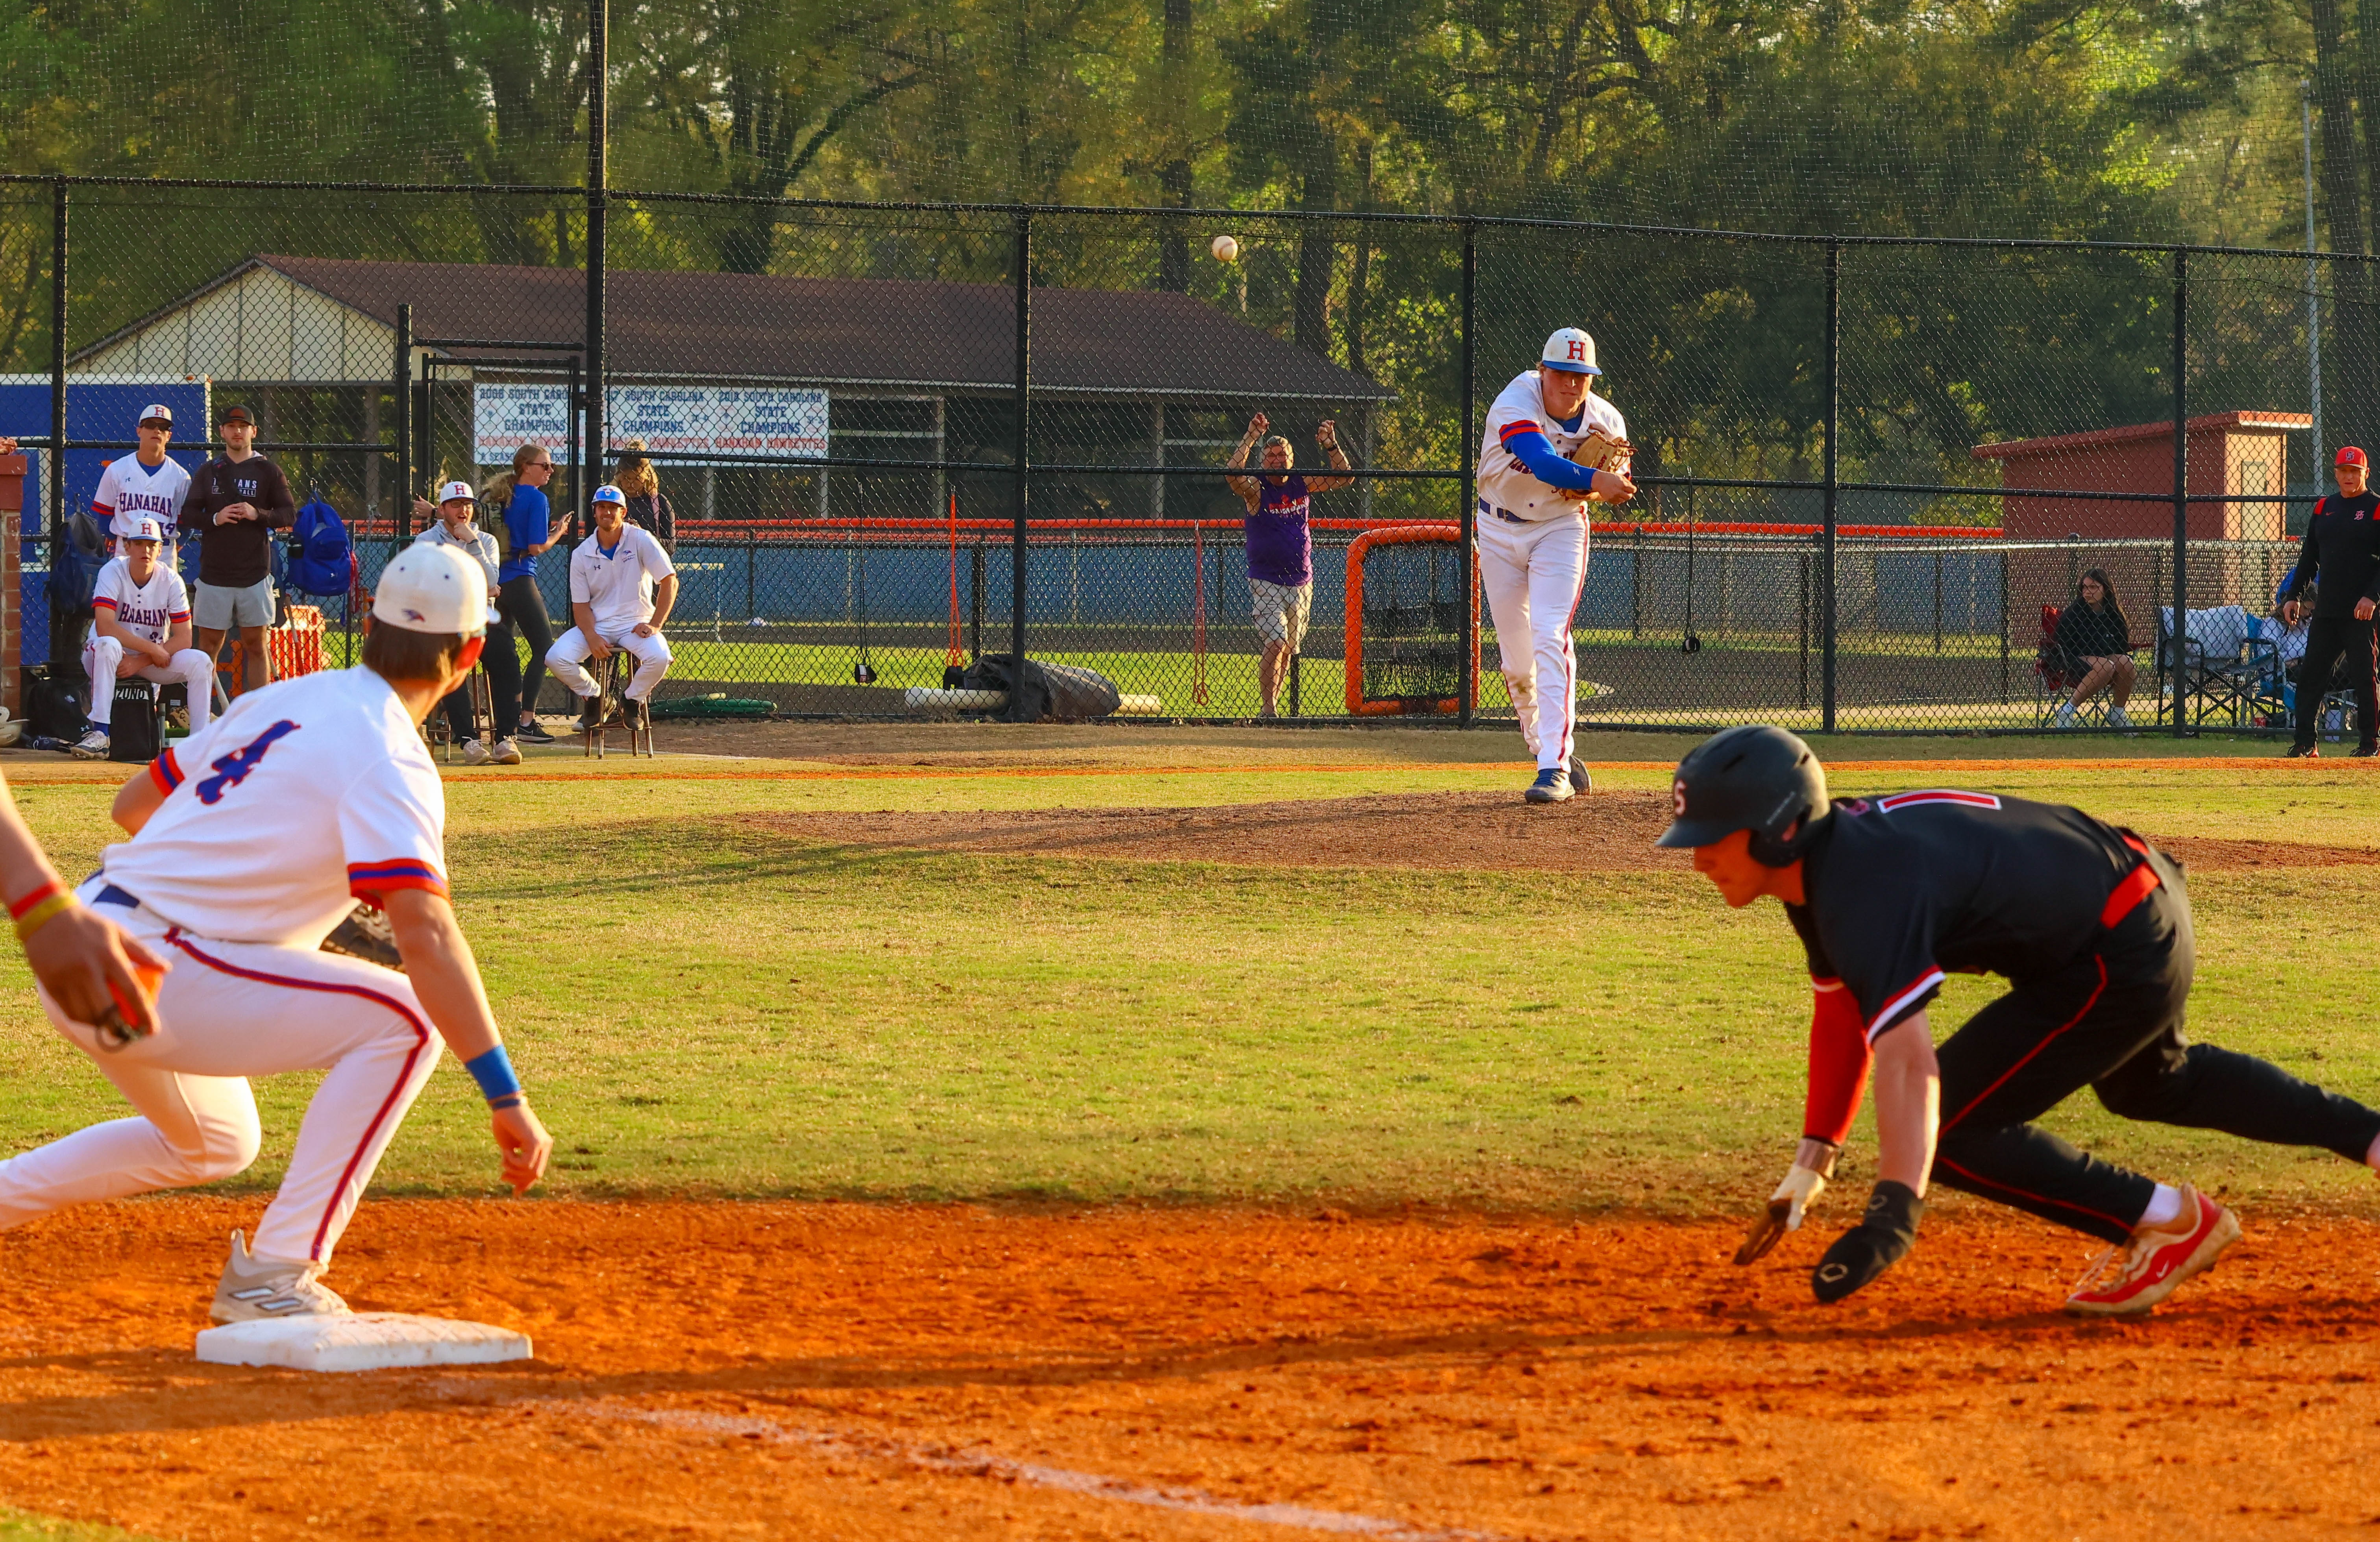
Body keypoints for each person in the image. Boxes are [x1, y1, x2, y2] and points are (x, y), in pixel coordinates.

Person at [0, 542, 553, 1321]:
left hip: (88, 948)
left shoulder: (288, 697)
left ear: (371, 622)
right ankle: (274, 1276)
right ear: (467, 654)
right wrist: (506, 1096)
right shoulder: (393, 755)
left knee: (215, 1142)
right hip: (160, 966)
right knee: (408, 1018)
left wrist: (260, 893)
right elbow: (425, 937)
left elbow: (132, 806)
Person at [1661, 723, 2380, 1316]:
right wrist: (1812, 1162)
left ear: (1781, 829)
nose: (1697, 859)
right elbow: (1842, 1014)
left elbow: (1910, 1062)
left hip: (2114, 941)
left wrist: (1893, 1210)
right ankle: (2371, 1138)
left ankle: (2169, 1219)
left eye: (1712, 836)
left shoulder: (1858, 886)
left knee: (1952, 1125)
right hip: (2132, 900)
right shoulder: (1826, 870)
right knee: (2153, 1084)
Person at [1476, 327, 1638, 803]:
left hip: (1559, 528)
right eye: (1563, 374)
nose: (1571, 385)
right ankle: (1542, 746)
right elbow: (1542, 463)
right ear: (1543, 372)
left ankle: (1554, 766)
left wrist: (1611, 481)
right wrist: (1594, 477)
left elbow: (1619, 477)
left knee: (1550, 634)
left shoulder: (1606, 420)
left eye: (1581, 377)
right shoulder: (1515, 401)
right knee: (1516, 664)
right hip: (1497, 528)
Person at [1224, 414, 1354, 718]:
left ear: (1292, 460)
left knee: (1288, 648)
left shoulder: (1301, 483)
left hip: (1300, 579)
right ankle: (1268, 709)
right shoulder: (1256, 489)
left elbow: (1345, 477)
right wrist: (1251, 436)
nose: (1276, 460)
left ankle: (1273, 709)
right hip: (1266, 579)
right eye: (1270, 457)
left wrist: (1330, 445)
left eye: (1282, 455)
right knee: (1276, 641)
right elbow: (1232, 475)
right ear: (1263, 461)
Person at [69, 516, 213, 760]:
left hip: (149, 662)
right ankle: (101, 734)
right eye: (138, 543)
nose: (145, 550)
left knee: (201, 662)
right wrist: (151, 650)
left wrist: (142, 660)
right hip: (107, 657)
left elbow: (185, 638)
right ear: (127, 546)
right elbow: (104, 626)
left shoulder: (171, 580)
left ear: (160, 549)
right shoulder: (112, 571)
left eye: (151, 544)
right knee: (108, 644)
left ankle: (201, 742)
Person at [185, 404, 296, 699]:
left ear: (253, 432)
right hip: (214, 575)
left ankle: (256, 718)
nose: (237, 431)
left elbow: (288, 514)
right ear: (222, 431)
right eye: (231, 426)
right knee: (206, 648)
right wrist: (215, 518)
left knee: (256, 645)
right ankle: (201, 716)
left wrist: (257, 513)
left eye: (243, 426)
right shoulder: (208, 472)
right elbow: (188, 514)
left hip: (254, 575)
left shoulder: (268, 471)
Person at [547, 484, 677, 732]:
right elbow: (581, 605)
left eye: (614, 508)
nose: (608, 513)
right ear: (595, 512)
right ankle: (597, 698)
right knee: (556, 658)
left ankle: (631, 701)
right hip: (599, 624)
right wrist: (591, 636)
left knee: (660, 658)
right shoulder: (582, 553)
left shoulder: (641, 539)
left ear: (624, 512)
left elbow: (670, 580)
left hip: (636, 622)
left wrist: (656, 624)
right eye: (602, 508)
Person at [2280, 445, 2380, 758]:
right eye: (2343, 471)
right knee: (2311, 674)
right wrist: (2293, 596)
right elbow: (2309, 557)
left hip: (2361, 612)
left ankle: (2369, 744)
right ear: (2336, 474)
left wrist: (2372, 597)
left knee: (2364, 676)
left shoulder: (2376, 508)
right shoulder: (2325, 508)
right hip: (2328, 609)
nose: (2349, 476)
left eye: (2355, 471)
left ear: (2365, 473)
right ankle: (2305, 742)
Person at [411, 482, 518, 766]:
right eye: (457, 505)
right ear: (442, 509)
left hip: (481, 618)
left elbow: (492, 582)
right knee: (451, 663)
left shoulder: (486, 541)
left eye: (468, 505)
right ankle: (469, 741)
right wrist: (478, 588)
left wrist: (472, 543)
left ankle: (506, 738)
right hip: (444, 622)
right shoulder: (426, 542)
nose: (464, 510)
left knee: (507, 655)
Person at [484, 445, 571, 744]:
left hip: (494, 582)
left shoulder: (500, 495)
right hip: (520, 578)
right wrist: (557, 533)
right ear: (525, 466)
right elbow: (536, 547)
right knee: (545, 648)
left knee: (504, 655)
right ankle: (525, 721)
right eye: (544, 466)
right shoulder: (536, 497)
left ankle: (503, 723)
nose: (550, 471)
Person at [90, 405, 192, 557]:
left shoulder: (181, 477)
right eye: (150, 425)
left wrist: (175, 547)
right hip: (126, 548)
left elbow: (187, 523)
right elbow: (104, 517)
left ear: (169, 436)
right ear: (139, 431)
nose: (157, 431)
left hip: (163, 549)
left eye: (164, 428)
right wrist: (115, 539)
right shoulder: (117, 470)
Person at [2048, 567, 2136, 728]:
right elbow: (2063, 645)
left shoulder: (2113, 613)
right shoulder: (2075, 613)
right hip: (2073, 660)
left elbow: (2121, 645)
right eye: (2084, 587)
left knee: (2127, 663)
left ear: (2105, 589)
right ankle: (2067, 710)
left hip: (2104, 657)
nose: (2087, 591)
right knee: (2105, 667)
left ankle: (2117, 713)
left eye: (2094, 587)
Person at [614, 440, 677, 555]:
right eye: (626, 478)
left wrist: (643, 535)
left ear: (646, 477)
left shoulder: (659, 502)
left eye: (637, 479)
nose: (631, 484)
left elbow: (671, 547)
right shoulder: (612, 503)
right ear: (619, 477)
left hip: (648, 566)